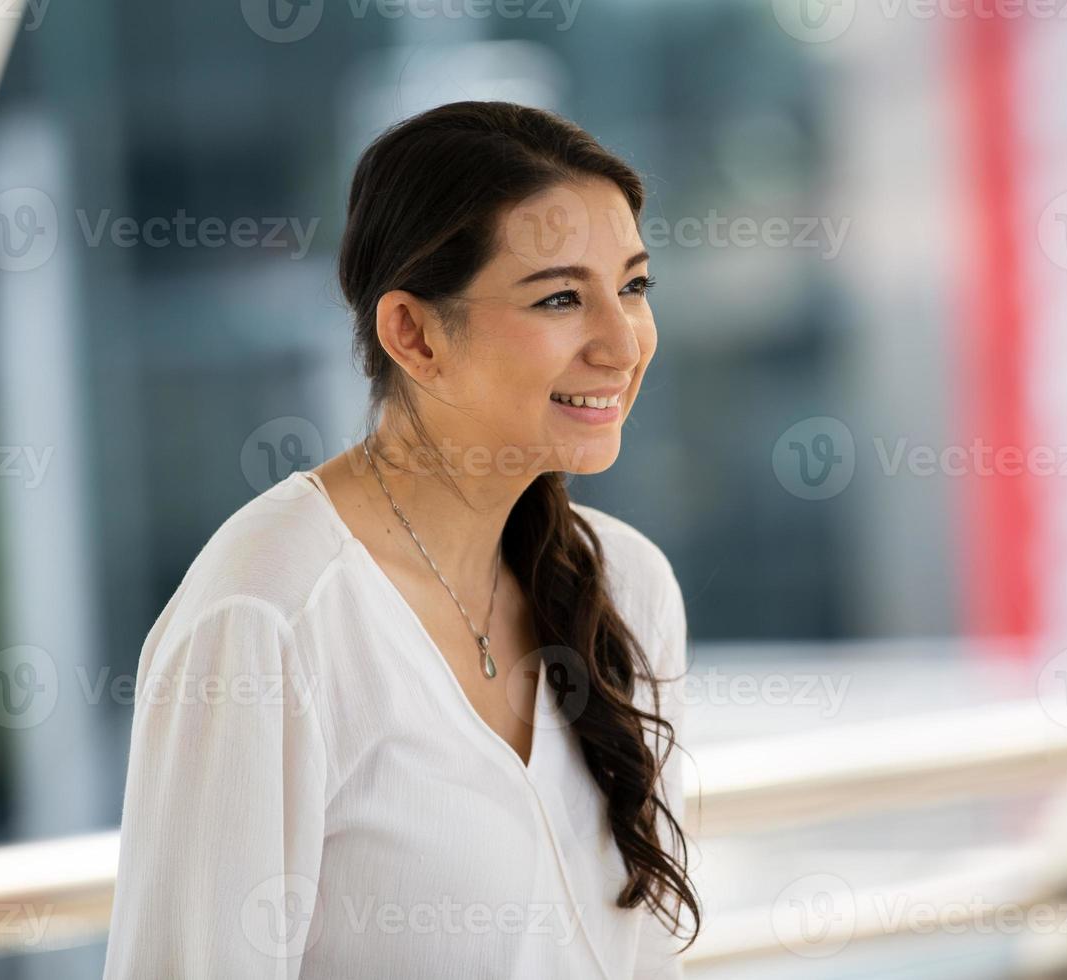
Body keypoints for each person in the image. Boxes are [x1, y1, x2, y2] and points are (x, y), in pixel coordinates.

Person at [102, 100, 699, 979]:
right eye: (562, 298)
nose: (622, 341)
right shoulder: (267, 613)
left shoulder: (628, 586)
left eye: (635, 286)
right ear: (412, 334)